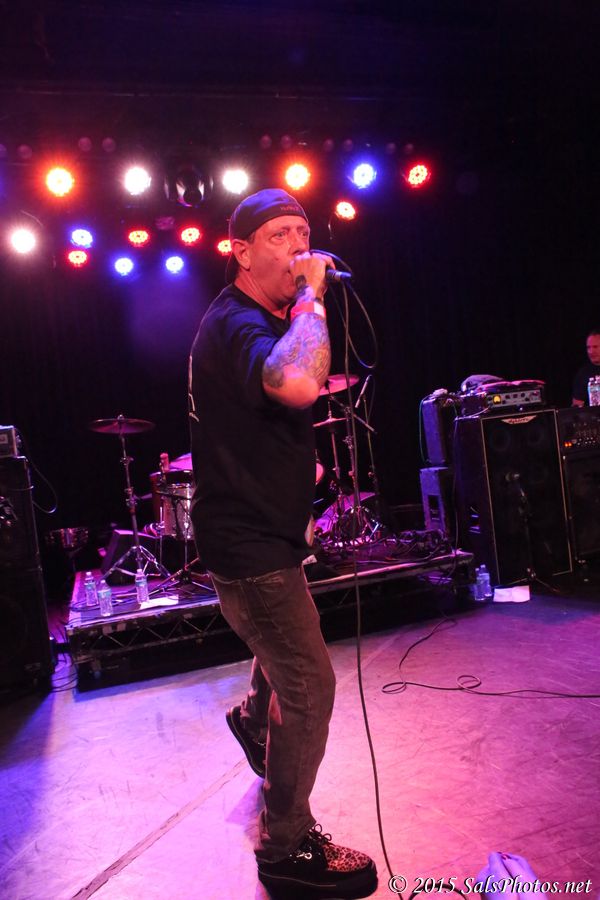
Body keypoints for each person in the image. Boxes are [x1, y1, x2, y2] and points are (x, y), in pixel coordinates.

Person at [188, 188, 377, 899]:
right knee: (309, 685)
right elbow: (298, 383)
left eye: (304, 231)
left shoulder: (261, 319)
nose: (300, 247)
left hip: (266, 534)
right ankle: (286, 846)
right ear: (240, 252)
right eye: (279, 236)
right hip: (249, 546)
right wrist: (311, 298)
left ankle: (250, 723)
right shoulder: (237, 322)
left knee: (285, 651)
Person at [572, 329, 600, 406]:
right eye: (588, 347)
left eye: (595, 347)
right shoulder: (583, 374)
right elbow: (577, 406)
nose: (591, 351)